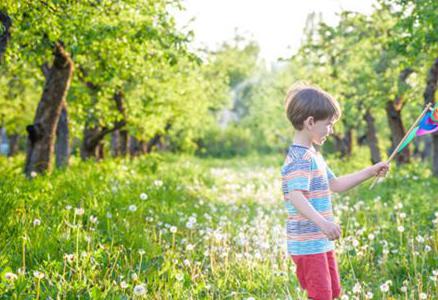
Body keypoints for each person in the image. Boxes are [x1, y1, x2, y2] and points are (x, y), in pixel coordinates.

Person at [281, 84, 389, 300]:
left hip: (321, 241)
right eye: (328, 124)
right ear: (310, 122)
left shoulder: (313, 156)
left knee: (333, 292)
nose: (331, 130)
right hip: (308, 243)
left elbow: (336, 184)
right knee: (321, 295)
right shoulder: (299, 159)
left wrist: (370, 171)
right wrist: (324, 224)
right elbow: (296, 196)